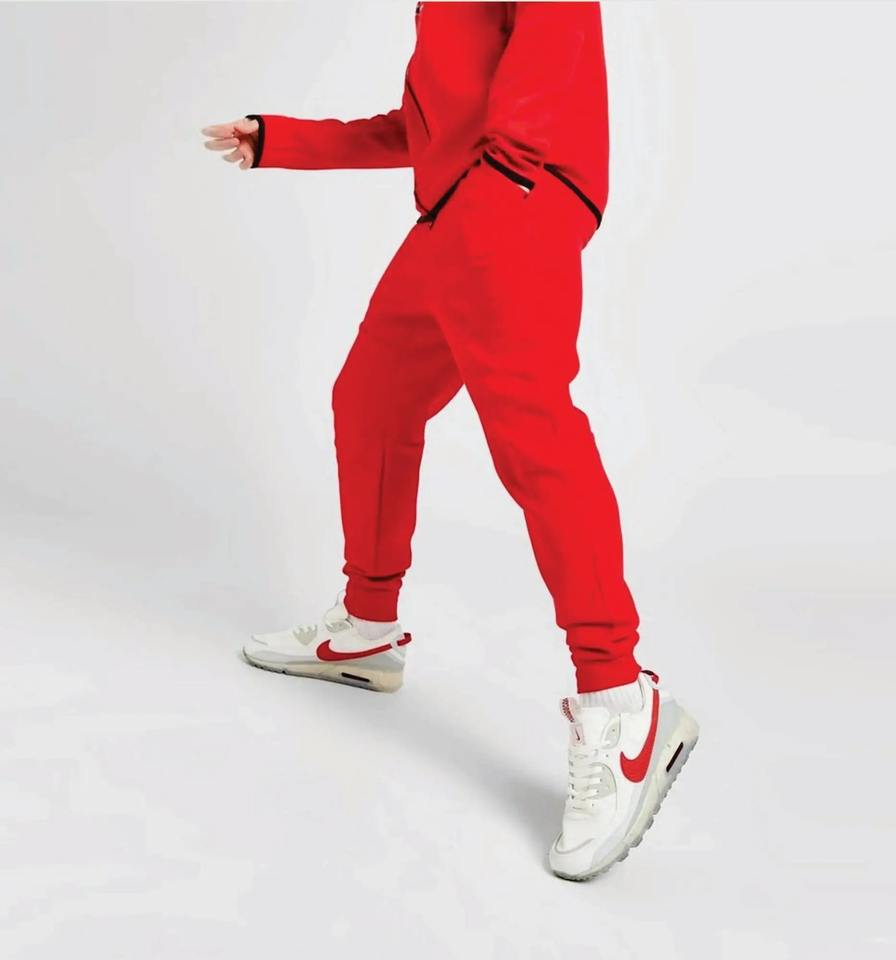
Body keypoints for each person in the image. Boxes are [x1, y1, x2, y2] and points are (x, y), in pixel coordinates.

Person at [200, 0, 697, 881]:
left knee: (533, 434)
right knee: (371, 402)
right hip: (459, 213)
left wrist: (500, 186)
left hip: (514, 200)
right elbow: (415, 129)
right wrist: (281, 140)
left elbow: (551, 55)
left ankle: (620, 698)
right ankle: (368, 627)